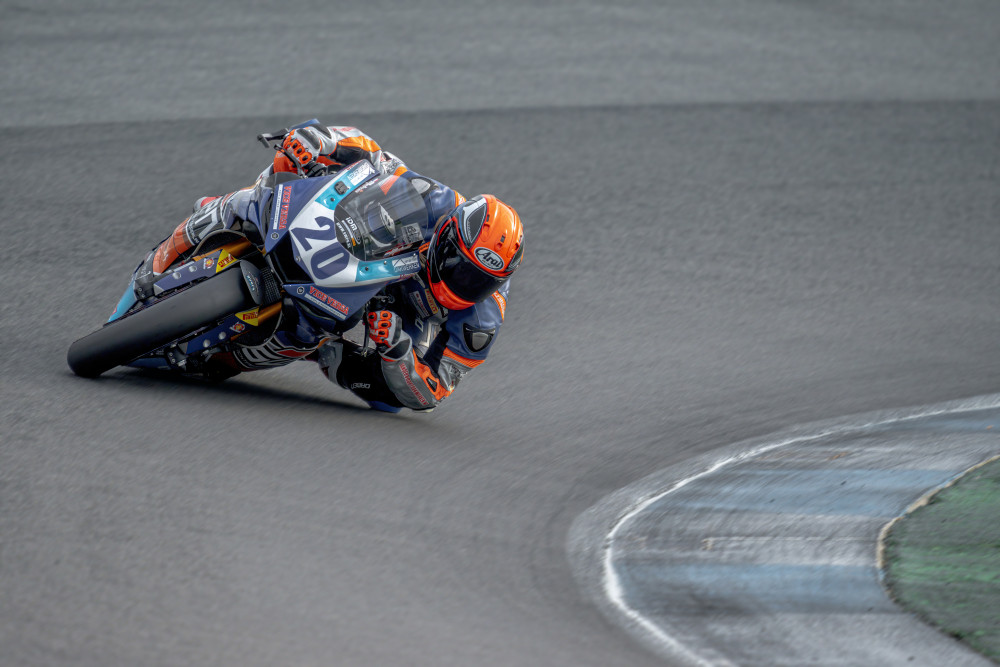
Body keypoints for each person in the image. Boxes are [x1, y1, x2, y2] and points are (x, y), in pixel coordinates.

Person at [141, 120, 523, 413]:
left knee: (387, 400)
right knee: (282, 170)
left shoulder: (481, 322)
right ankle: (209, 222)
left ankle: (267, 354)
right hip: (367, 251)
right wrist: (321, 142)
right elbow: (376, 157)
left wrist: (398, 350)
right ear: (449, 236)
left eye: (480, 282)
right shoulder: (437, 201)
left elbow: (434, 391)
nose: (464, 283)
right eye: (460, 267)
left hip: (399, 310)